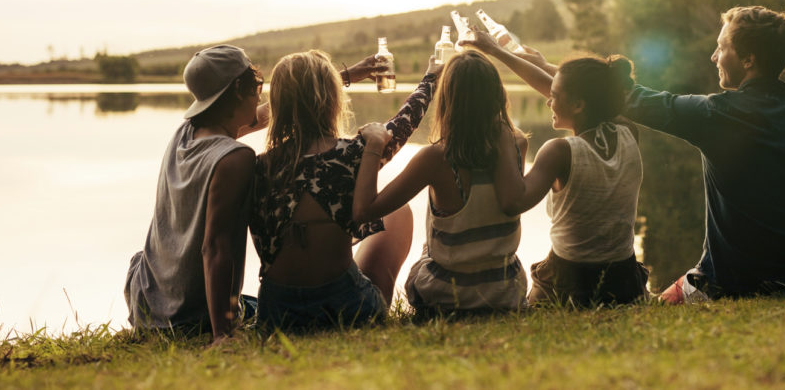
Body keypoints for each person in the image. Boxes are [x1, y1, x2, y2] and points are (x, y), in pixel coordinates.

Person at [624, 5, 785, 302]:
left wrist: (565, 77)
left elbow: (636, 101)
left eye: (721, 48)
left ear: (748, 59)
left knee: (655, 308)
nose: (714, 57)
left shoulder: (717, 115)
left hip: (732, 285)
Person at [249, 49, 436, 331]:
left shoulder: (255, 167)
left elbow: (231, 128)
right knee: (397, 211)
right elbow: (408, 119)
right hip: (347, 308)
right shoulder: (353, 154)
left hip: (276, 313)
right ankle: (378, 306)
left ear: (276, 106)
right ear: (333, 99)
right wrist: (432, 76)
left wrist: (344, 76)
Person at [466, 34, 648, 307]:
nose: (548, 101)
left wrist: (506, 137)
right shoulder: (628, 132)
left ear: (578, 104)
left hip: (570, 283)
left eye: (554, 97)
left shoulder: (559, 152)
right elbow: (584, 94)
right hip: (623, 281)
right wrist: (498, 52)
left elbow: (512, 202)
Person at [352, 50, 529, 315]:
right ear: (497, 95)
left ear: (448, 101)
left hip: (447, 297)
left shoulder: (436, 158)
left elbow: (365, 211)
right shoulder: (517, 145)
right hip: (504, 291)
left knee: (416, 238)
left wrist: (373, 148)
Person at [125, 45, 268, 341]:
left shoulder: (187, 132)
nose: (260, 93)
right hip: (186, 319)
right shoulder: (235, 158)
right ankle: (220, 326)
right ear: (239, 91)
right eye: (257, 85)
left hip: (147, 300)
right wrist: (222, 336)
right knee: (268, 307)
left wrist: (342, 78)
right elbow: (215, 247)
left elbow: (265, 115)